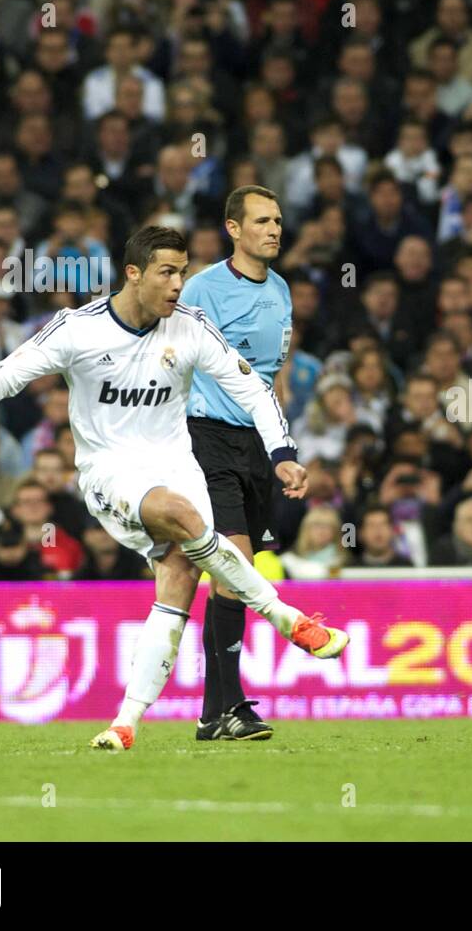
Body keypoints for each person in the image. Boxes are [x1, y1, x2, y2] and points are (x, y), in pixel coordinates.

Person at [0, 226, 348, 752]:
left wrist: (283, 452)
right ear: (133, 273)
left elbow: (252, 388)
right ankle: (287, 618)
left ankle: (126, 722)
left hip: (177, 464)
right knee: (182, 517)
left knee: (180, 577)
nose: (179, 284)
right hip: (110, 470)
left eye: (182, 271)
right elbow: (17, 368)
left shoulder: (190, 328)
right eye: (167, 272)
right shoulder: (78, 328)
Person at [181, 185, 294, 743]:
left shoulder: (281, 291)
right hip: (206, 438)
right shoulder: (201, 288)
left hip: (255, 447)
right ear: (233, 228)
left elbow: (275, 377)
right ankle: (232, 708)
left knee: (229, 578)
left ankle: (211, 714)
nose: (274, 229)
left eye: (277, 220)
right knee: (235, 568)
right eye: (261, 221)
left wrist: (281, 451)